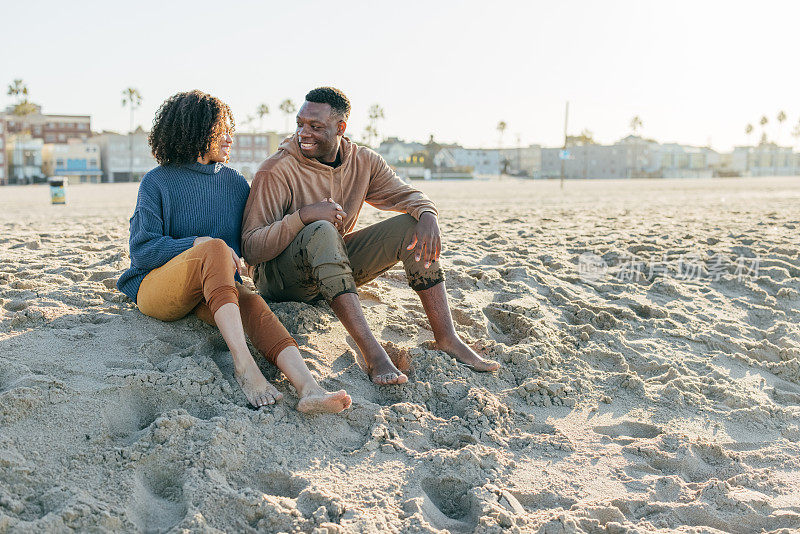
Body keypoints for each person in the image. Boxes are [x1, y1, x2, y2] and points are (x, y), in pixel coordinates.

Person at [242, 87, 500, 386]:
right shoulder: (276, 169)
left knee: (409, 226)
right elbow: (251, 248)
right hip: (280, 281)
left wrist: (428, 214)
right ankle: (374, 354)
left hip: (330, 272)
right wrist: (303, 217)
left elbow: (407, 195)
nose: (304, 132)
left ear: (341, 128)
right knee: (322, 230)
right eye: (300, 124)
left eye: (315, 126)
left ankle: (447, 337)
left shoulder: (363, 161)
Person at [116, 90, 351, 414]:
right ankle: (245, 367)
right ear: (196, 131)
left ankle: (308, 387)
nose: (230, 137)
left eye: (230, 129)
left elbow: (242, 249)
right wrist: (197, 244)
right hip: (157, 289)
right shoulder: (157, 182)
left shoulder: (236, 184)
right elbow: (142, 251)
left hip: (212, 292)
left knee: (252, 302)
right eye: (221, 130)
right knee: (213, 247)